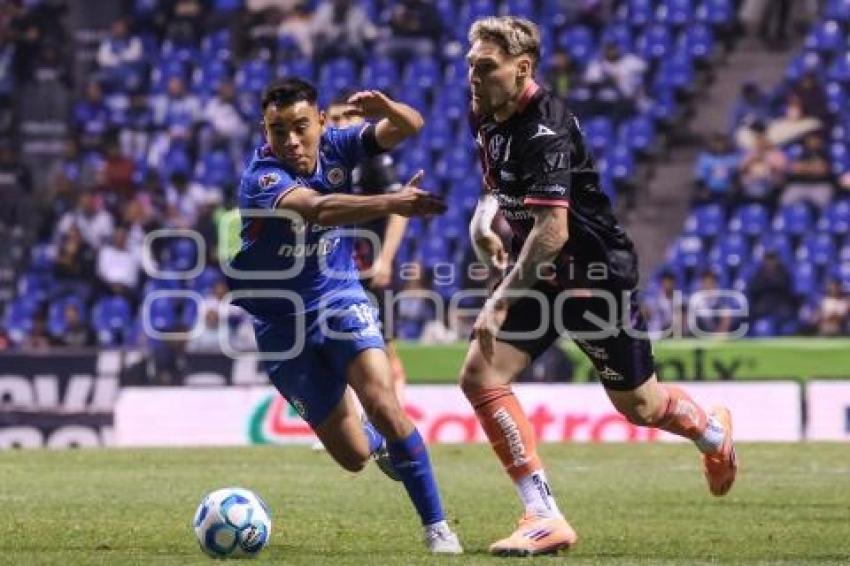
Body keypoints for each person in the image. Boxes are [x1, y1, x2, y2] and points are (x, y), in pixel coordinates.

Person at [461, 17, 737, 556]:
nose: (474, 76)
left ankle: (711, 433)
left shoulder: (545, 130)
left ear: (522, 68)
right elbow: (498, 183)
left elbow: (553, 231)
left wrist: (498, 303)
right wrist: (481, 224)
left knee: (642, 407)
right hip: (540, 273)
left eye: (486, 67)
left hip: (592, 279)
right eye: (471, 65)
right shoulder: (487, 110)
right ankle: (543, 516)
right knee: (479, 375)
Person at [224, 78, 462, 554]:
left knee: (384, 402)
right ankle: (377, 441)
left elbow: (411, 126)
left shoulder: (339, 145)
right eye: (278, 131)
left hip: (340, 297)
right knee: (353, 455)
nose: (291, 140)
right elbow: (318, 208)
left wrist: (388, 106)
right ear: (265, 131)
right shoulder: (261, 178)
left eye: (300, 127)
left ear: (321, 122)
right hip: (282, 326)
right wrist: (392, 202)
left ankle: (438, 528)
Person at [325, 92, 409, 403]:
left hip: (370, 268)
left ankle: (396, 417)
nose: (341, 124)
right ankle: (349, 420)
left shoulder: (372, 158)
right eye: (335, 119)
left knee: (383, 345)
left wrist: (385, 261)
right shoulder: (321, 164)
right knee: (338, 348)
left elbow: (400, 210)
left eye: (349, 116)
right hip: (335, 272)